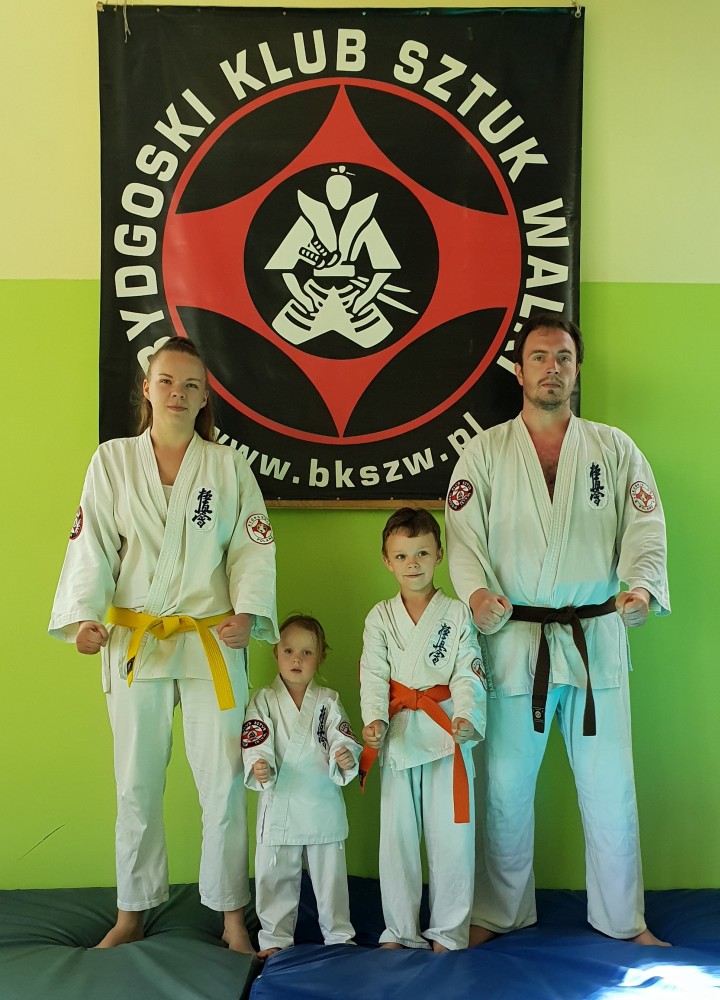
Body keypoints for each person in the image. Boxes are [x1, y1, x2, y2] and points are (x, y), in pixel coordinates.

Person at [444, 313, 670, 947]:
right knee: (506, 786)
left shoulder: (614, 448)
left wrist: (640, 586)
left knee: (611, 785)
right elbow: (462, 536)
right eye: (540, 357)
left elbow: (645, 527)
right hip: (515, 637)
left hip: (595, 635)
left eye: (563, 358)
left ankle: (623, 919)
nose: (552, 368)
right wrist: (476, 592)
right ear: (519, 371)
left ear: (577, 369)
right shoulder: (484, 452)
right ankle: (499, 910)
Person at [49, 337, 278, 952]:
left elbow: (252, 547)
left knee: (223, 782)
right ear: (147, 390)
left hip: (210, 639)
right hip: (136, 638)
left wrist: (248, 612)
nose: (178, 393)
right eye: (167, 382)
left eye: (191, 385)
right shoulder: (112, 461)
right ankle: (132, 910)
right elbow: (91, 543)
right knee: (136, 782)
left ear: (204, 398)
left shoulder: (227, 468)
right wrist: (84, 618)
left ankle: (232, 915)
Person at [359, 508, 487, 952]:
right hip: (398, 734)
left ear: (439, 555)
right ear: (387, 561)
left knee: (452, 838)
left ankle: (449, 931)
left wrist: (467, 715)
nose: (412, 563)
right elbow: (373, 675)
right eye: (401, 555)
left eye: (422, 553)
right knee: (396, 841)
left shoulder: (457, 614)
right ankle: (399, 930)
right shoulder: (379, 617)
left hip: (446, 730)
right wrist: (374, 719)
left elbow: (468, 670)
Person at [242, 614, 360, 958]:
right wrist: (259, 763)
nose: (297, 659)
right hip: (280, 799)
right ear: (276, 653)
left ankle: (339, 935)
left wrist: (344, 754)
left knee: (331, 878)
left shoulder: (328, 700)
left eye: (307, 652)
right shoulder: (263, 699)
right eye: (289, 650)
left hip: (321, 799)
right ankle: (274, 938)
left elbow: (342, 736)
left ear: (320, 657)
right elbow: (255, 738)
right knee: (274, 874)